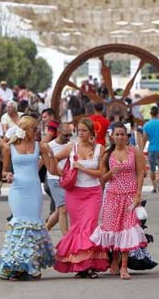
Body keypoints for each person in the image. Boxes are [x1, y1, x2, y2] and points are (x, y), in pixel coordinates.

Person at [0, 116, 54, 281]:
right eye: (33, 129)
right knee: (20, 224)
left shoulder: (39, 146)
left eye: (37, 129)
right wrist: (8, 175)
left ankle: (31, 265)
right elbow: (4, 171)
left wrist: (51, 155)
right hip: (18, 190)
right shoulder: (9, 148)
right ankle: (17, 266)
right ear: (25, 129)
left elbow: (52, 168)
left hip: (34, 189)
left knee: (33, 225)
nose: (36, 132)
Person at [49, 118, 109, 278]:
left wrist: (82, 168)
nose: (81, 133)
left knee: (89, 228)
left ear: (91, 132)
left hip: (93, 192)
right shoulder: (72, 147)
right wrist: (60, 173)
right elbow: (54, 158)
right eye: (79, 130)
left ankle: (88, 265)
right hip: (74, 193)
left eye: (84, 130)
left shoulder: (99, 149)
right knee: (77, 228)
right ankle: (81, 266)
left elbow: (102, 173)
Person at [91, 122, 147, 280]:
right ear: (112, 136)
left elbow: (141, 173)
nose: (120, 137)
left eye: (123, 134)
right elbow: (102, 179)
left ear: (127, 136)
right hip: (112, 196)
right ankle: (114, 259)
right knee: (114, 229)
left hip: (129, 196)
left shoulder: (134, 152)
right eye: (117, 134)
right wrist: (110, 172)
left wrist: (138, 195)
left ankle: (124, 266)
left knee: (127, 229)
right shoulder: (108, 154)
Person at [45, 123, 72, 236]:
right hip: (54, 179)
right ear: (59, 133)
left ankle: (44, 231)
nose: (68, 138)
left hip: (68, 179)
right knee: (63, 208)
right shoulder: (49, 146)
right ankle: (66, 239)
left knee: (60, 209)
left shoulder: (70, 145)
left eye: (69, 135)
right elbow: (44, 163)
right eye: (65, 135)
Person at [141, 106, 159, 194]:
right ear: (158, 113)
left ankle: (154, 188)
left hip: (151, 149)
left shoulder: (146, 125)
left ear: (150, 114)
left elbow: (144, 138)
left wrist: (142, 149)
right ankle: (157, 181)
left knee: (152, 169)